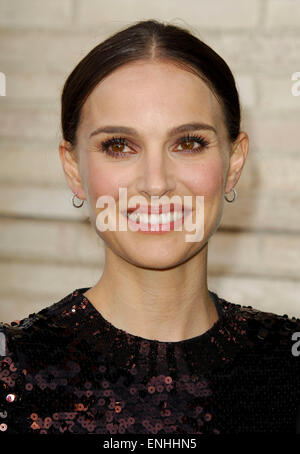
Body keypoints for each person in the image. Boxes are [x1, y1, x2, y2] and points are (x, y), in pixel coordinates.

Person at [1, 19, 300, 435]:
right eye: (119, 146)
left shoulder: (289, 363)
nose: (156, 183)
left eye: (188, 143)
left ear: (234, 162)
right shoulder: (10, 372)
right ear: (73, 168)